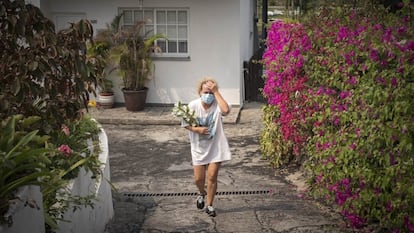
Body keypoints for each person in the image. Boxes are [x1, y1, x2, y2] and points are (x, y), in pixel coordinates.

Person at [182, 77, 232, 217]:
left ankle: (209, 205)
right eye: (206, 92)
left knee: (212, 177)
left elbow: (226, 110)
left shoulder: (217, 104)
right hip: (198, 148)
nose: (208, 95)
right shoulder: (193, 105)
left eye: (211, 92)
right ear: (200, 92)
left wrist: (216, 92)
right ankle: (201, 193)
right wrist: (196, 130)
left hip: (216, 147)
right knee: (198, 179)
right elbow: (184, 122)